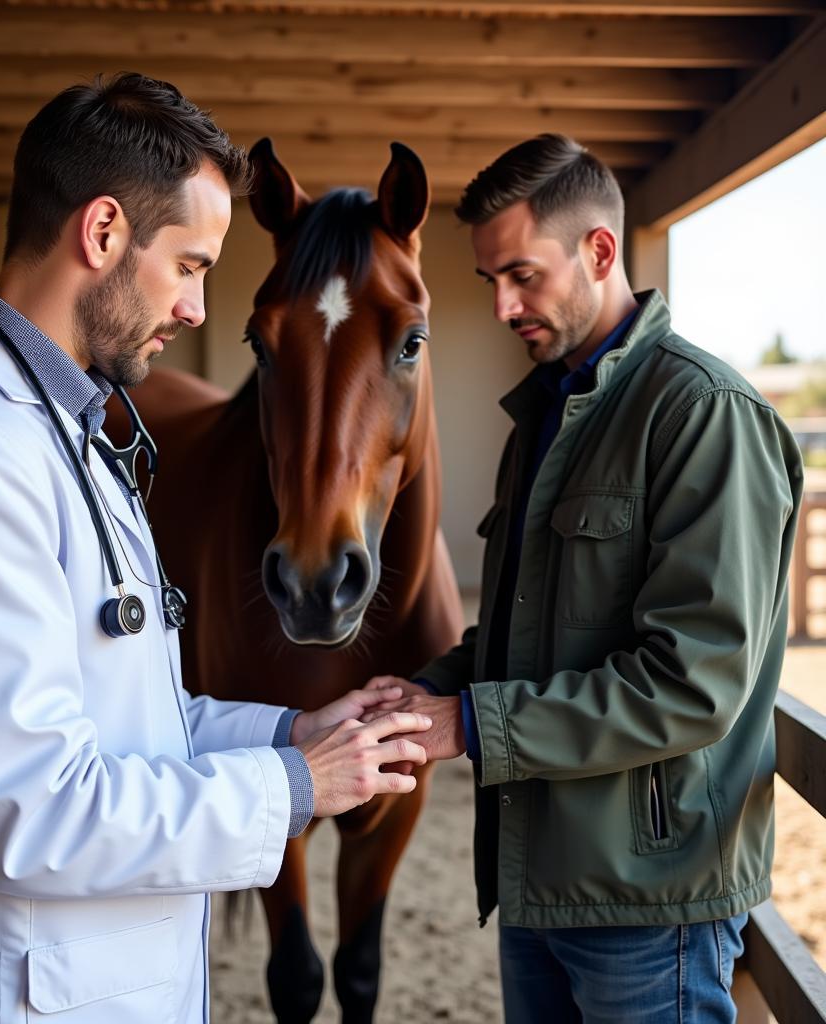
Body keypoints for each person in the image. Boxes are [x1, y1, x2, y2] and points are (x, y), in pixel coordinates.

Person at [0, 74, 431, 1024]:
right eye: (190, 266)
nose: (196, 310)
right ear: (103, 233)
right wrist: (292, 787)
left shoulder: (63, 432)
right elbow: (26, 811)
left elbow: (125, 722)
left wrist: (291, 734)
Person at [364, 133, 803, 1022]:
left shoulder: (705, 417)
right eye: (490, 280)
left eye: (521, 275)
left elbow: (692, 684)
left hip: (652, 899)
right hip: (541, 878)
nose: (500, 305)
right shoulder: (546, 416)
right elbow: (531, 631)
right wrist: (426, 691)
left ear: (600, 251)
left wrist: (470, 724)